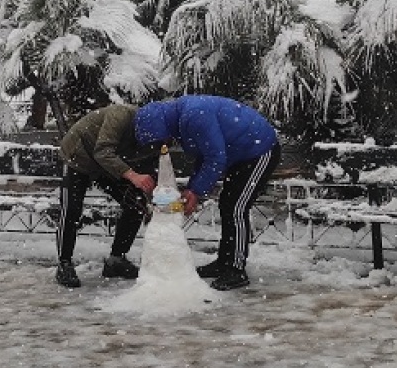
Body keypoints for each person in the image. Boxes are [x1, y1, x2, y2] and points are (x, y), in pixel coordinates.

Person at [133, 95, 280, 291]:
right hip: (240, 155)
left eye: (160, 139)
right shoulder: (183, 121)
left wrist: (195, 191)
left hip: (259, 151)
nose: (164, 143)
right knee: (228, 205)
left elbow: (215, 157)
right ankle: (224, 263)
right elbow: (205, 155)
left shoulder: (193, 116)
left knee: (236, 207)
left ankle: (236, 270)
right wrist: (194, 188)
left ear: (162, 127)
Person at [54, 103, 159, 288]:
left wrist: (151, 191)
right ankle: (64, 263)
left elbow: (149, 167)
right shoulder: (121, 115)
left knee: (136, 202)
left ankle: (116, 260)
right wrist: (133, 175)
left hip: (107, 164)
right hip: (78, 155)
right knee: (71, 209)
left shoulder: (157, 134)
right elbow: (102, 151)